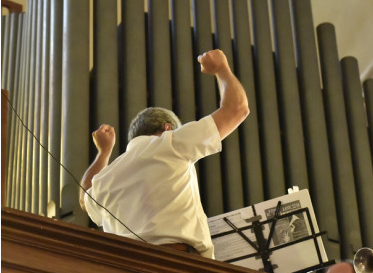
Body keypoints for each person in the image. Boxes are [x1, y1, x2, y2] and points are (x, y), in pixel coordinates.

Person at [79, 49, 249, 259]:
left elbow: (83, 196)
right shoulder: (170, 143)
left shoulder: (107, 176)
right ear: (168, 129)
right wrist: (222, 69)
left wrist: (103, 153)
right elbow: (237, 108)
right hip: (178, 265)